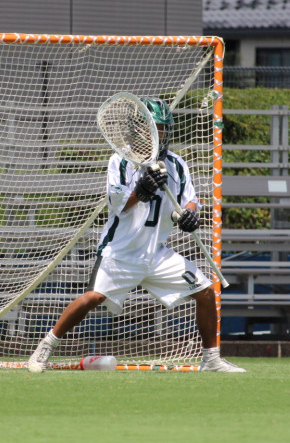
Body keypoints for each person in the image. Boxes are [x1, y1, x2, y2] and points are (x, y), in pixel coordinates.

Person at [27, 97, 245, 373]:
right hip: (121, 252)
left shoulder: (176, 164)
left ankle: (211, 359)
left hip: (156, 253)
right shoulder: (120, 162)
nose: (160, 135)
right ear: (138, 129)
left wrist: (188, 215)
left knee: (205, 292)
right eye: (154, 128)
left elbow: (189, 201)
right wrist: (142, 190)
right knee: (93, 297)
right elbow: (119, 204)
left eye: (164, 129)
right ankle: (45, 347)